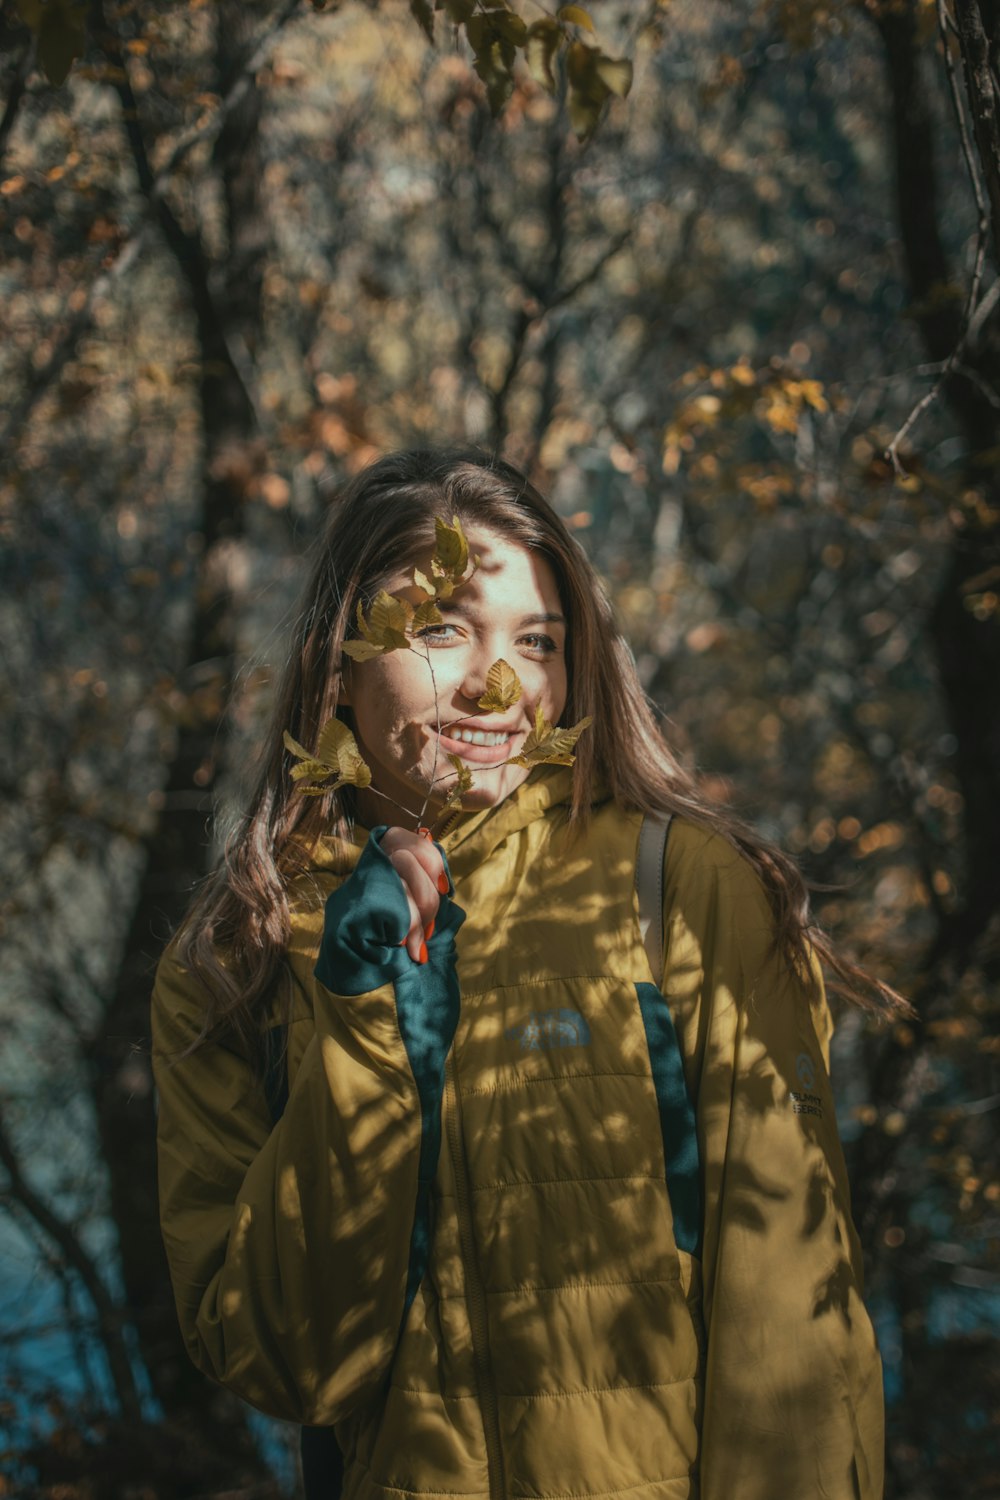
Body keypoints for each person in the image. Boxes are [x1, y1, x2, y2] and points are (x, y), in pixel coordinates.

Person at [151, 447, 889, 1500]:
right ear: (336, 661)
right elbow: (289, 1366)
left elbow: (790, 1337)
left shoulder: (678, 886)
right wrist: (361, 1016)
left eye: (537, 642)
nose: (499, 685)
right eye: (443, 627)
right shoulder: (235, 962)